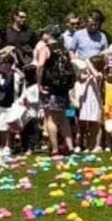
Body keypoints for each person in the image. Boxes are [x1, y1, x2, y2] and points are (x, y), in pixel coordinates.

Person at [36, 27, 75, 155]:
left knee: (50, 118)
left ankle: (55, 149)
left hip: (50, 87)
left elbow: (40, 65)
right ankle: (70, 147)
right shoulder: (64, 49)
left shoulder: (45, 48)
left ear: (48, 34)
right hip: (63, 87)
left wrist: (39, 83)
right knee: (63, 118)